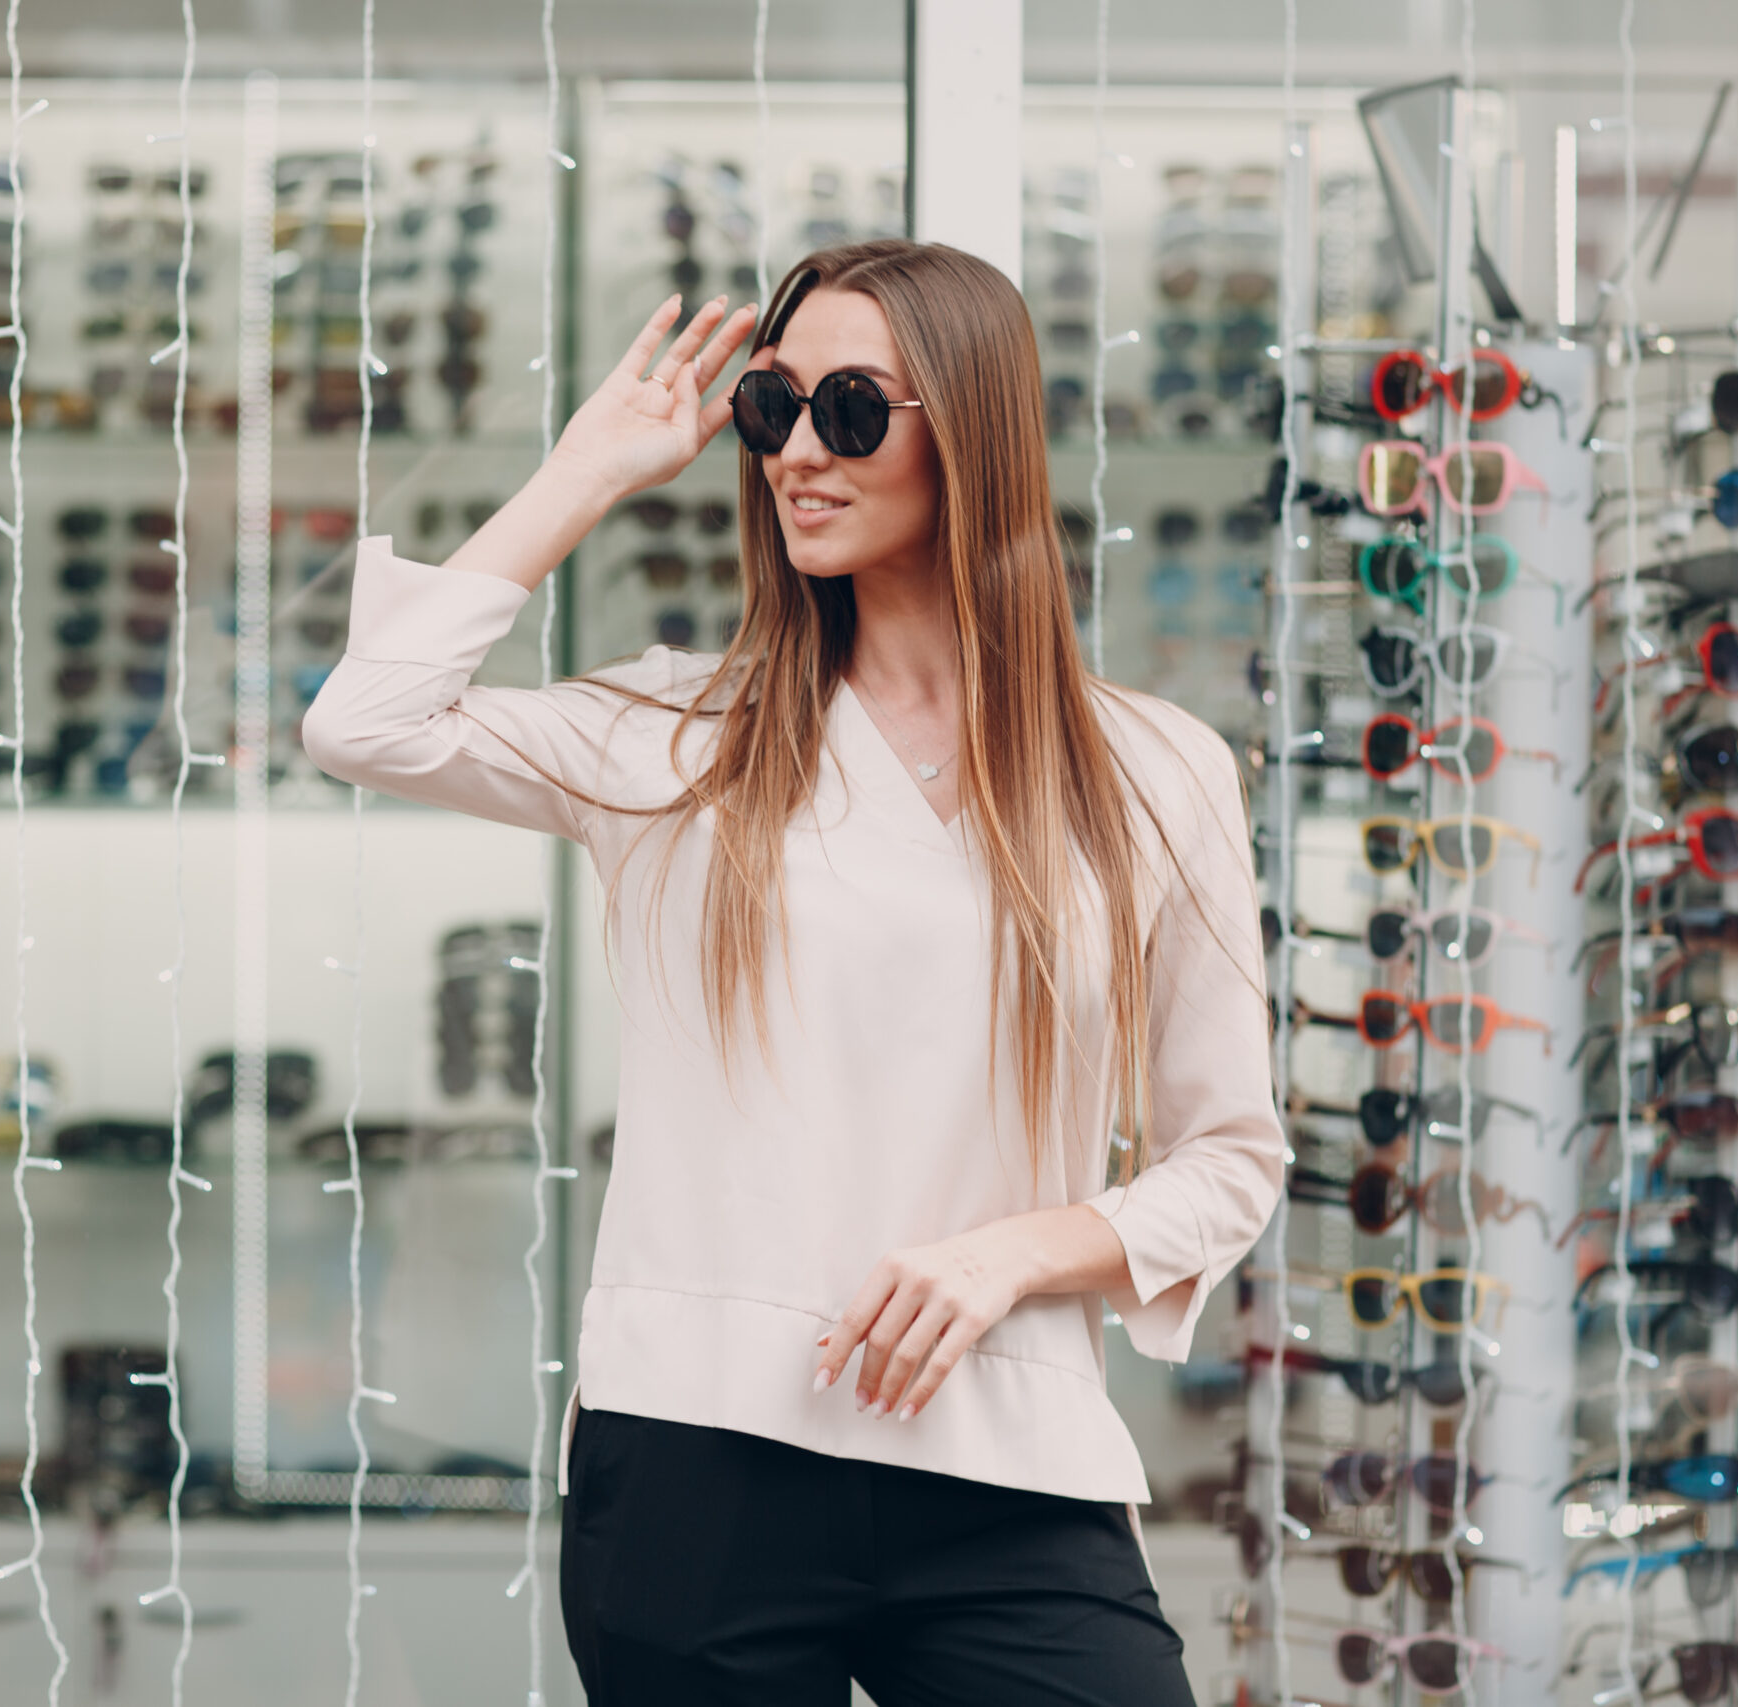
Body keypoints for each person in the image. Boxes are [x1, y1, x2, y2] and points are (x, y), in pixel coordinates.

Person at [303, 238, 1283, 1706]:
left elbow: (1231, 1157)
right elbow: (364, 723)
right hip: (700, 1465)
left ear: (976, 431)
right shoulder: (673, 736)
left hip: (1006, 1458)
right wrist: (585, 473)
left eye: (850, 409)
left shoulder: (1152, 771)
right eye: (771, 411)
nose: (798, 454)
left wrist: (1010, 1253)